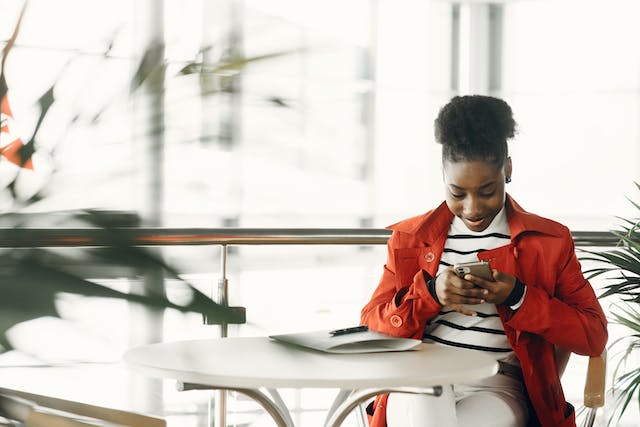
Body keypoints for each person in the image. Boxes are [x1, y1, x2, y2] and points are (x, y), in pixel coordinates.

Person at [360, 95, 607, 427]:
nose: (473, 208)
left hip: (495, 385)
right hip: (418, 379)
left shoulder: (548, 243)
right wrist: (431, 294)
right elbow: (372, 326)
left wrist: (518, 296)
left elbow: (593, 335)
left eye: (487, 190)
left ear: (507, 168)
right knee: (429, 395)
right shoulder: (410, 239)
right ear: (442, 176)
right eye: (457, 193)